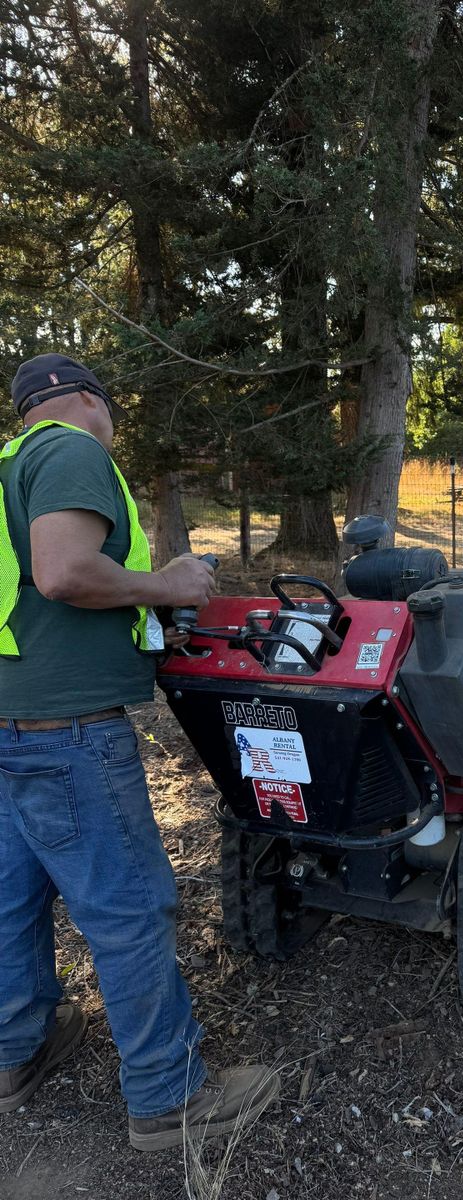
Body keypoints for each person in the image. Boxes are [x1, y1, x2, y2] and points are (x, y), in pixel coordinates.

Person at [0, 353, 280, 1151]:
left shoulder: (7, 467)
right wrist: (170, 585)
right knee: (127, 912)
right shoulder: (71, 449)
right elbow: (63, 573)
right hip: (71, 734)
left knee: (12, 904)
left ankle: (14, 1055)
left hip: (10, 725)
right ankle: (167, 1094)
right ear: (89, 399)